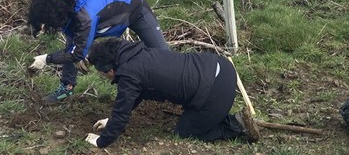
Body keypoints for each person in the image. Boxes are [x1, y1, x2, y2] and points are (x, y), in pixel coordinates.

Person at [83, 38, 259, 148]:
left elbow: (122, 112)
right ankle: (213, 115)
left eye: (102, 72)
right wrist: (111, 120)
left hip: (215, 91)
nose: (103, 76)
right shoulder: (136, 53)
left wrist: (101, 141)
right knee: (196, 115)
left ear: (109, 69)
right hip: (221, 66)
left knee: (185, 131)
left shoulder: (129, 74)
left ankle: (236, 125)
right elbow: (136, 95)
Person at [27, 0, 168, 104]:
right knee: (72, 47)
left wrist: (46, 59)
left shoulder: (85, 18)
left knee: (163, 55)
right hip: (101, 17)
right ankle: (66, 88)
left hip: (135, 7)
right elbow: (73, 50)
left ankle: (172, 89)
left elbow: (77, 53)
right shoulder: (63, 3)